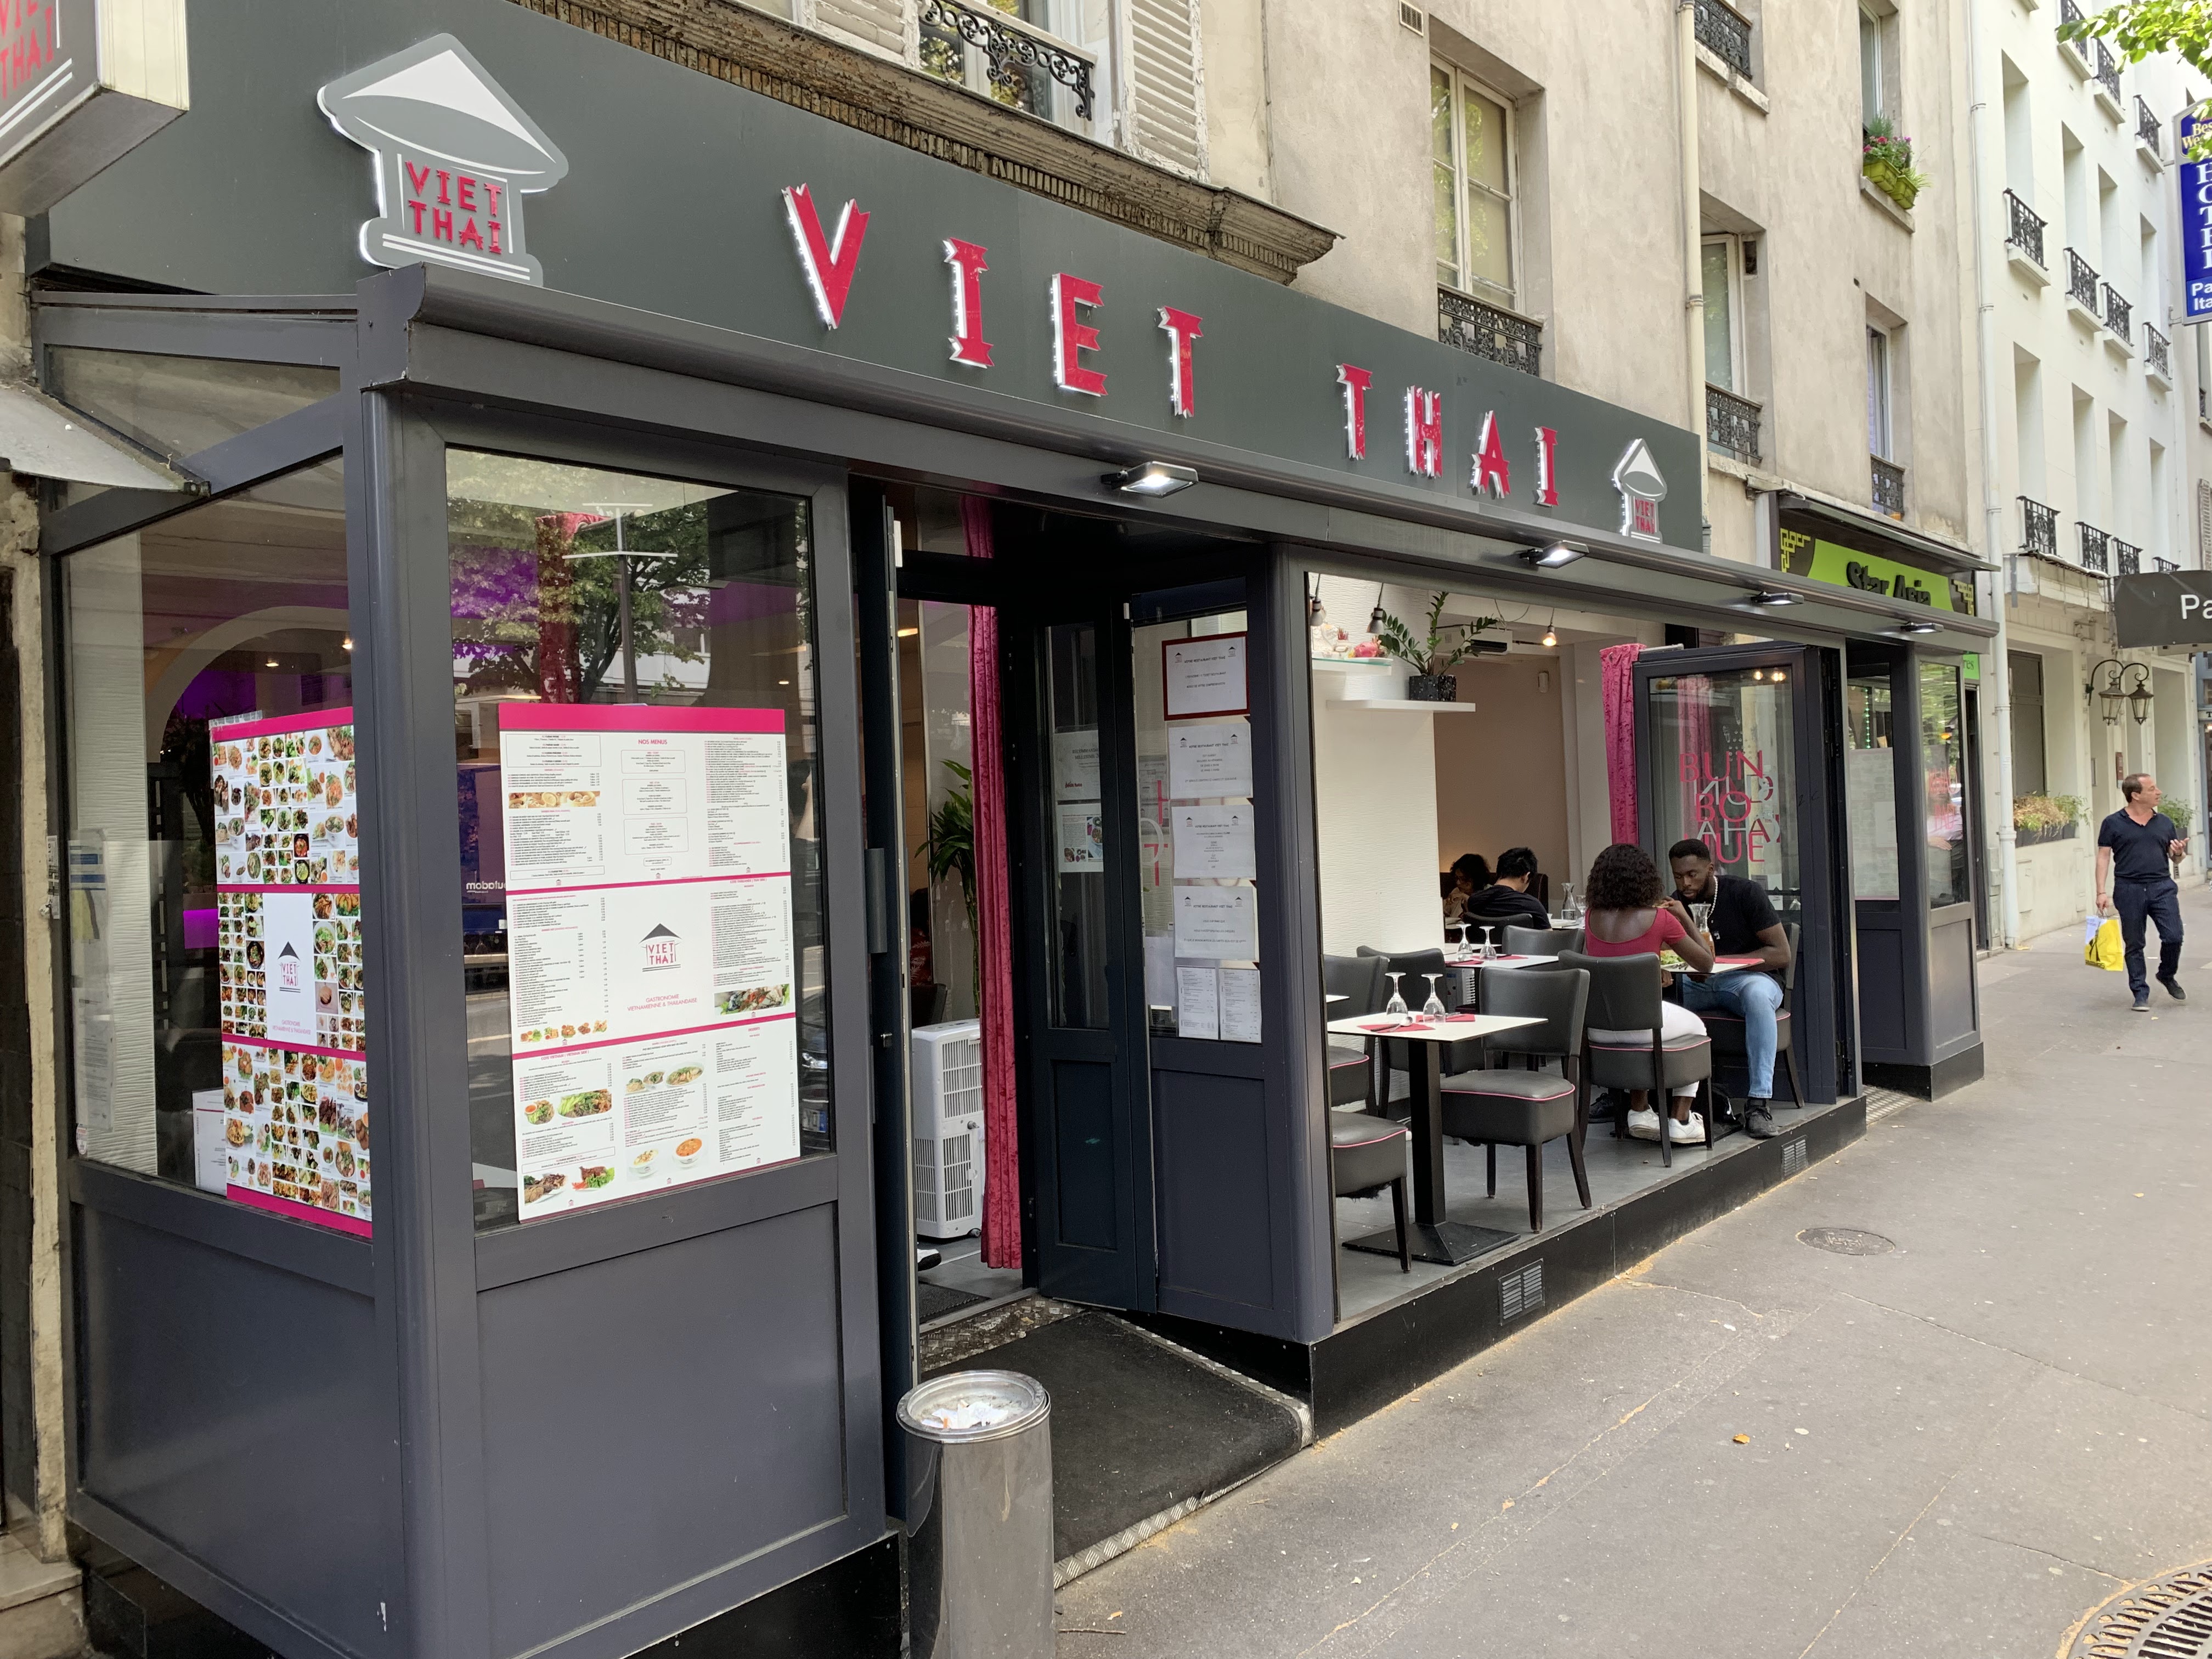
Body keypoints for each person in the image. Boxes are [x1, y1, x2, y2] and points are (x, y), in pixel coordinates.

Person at [1580, 843, 1715, 1144]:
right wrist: (1684, 917)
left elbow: (1613, 962)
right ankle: (1681, 1118)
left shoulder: (1590, 917)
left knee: (1649, 1012)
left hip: (1598, 1030)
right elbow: (1706, 963)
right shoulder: (1660, 919)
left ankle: (1639, 1111)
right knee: (1697, 1026)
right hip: (1642, 1027)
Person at [1668, 839, 1792, 1140]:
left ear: (1711, 869)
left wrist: (1722, 964)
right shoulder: (1676, 903)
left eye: (1693, 874)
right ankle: (1634, 1096)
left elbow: (1781, 954)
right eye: (1678, 876)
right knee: (1655, 995)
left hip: (1751, 979)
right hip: (1699, 982)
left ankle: (1758, 1103)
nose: (1685, 883)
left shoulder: (1744, 893)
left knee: (1758, 997)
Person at [2096, 772, 2186, 1012]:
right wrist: (2101, 892)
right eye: (2152, 789)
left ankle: (2166, 974)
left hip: (2162, 887)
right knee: (2134, 943)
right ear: (2135, 795)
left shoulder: (2165, 822)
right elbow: (2104, 857)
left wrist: (2179, 852)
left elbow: (2176, 858)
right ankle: (2140, 992)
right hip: (2129, 888)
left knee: (2174, 936)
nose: (2159, 792)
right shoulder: (2113, 823)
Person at [1462, 846, 1551, 935]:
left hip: (1482, 945)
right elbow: (1548, 939)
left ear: (1499, 872)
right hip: (1520, 945)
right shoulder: (1532, 905)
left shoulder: (1474, 901)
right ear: (1526, 877)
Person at [1441, 852, 1492, 924]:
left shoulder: (1489, 892)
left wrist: (1467, 898)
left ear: (1475, 878)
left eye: (1463, 879)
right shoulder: (1457, 891)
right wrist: (1444, 906)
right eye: (1457, 878)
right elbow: (1444, 911)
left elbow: (1483, 919)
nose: (1458, 883)